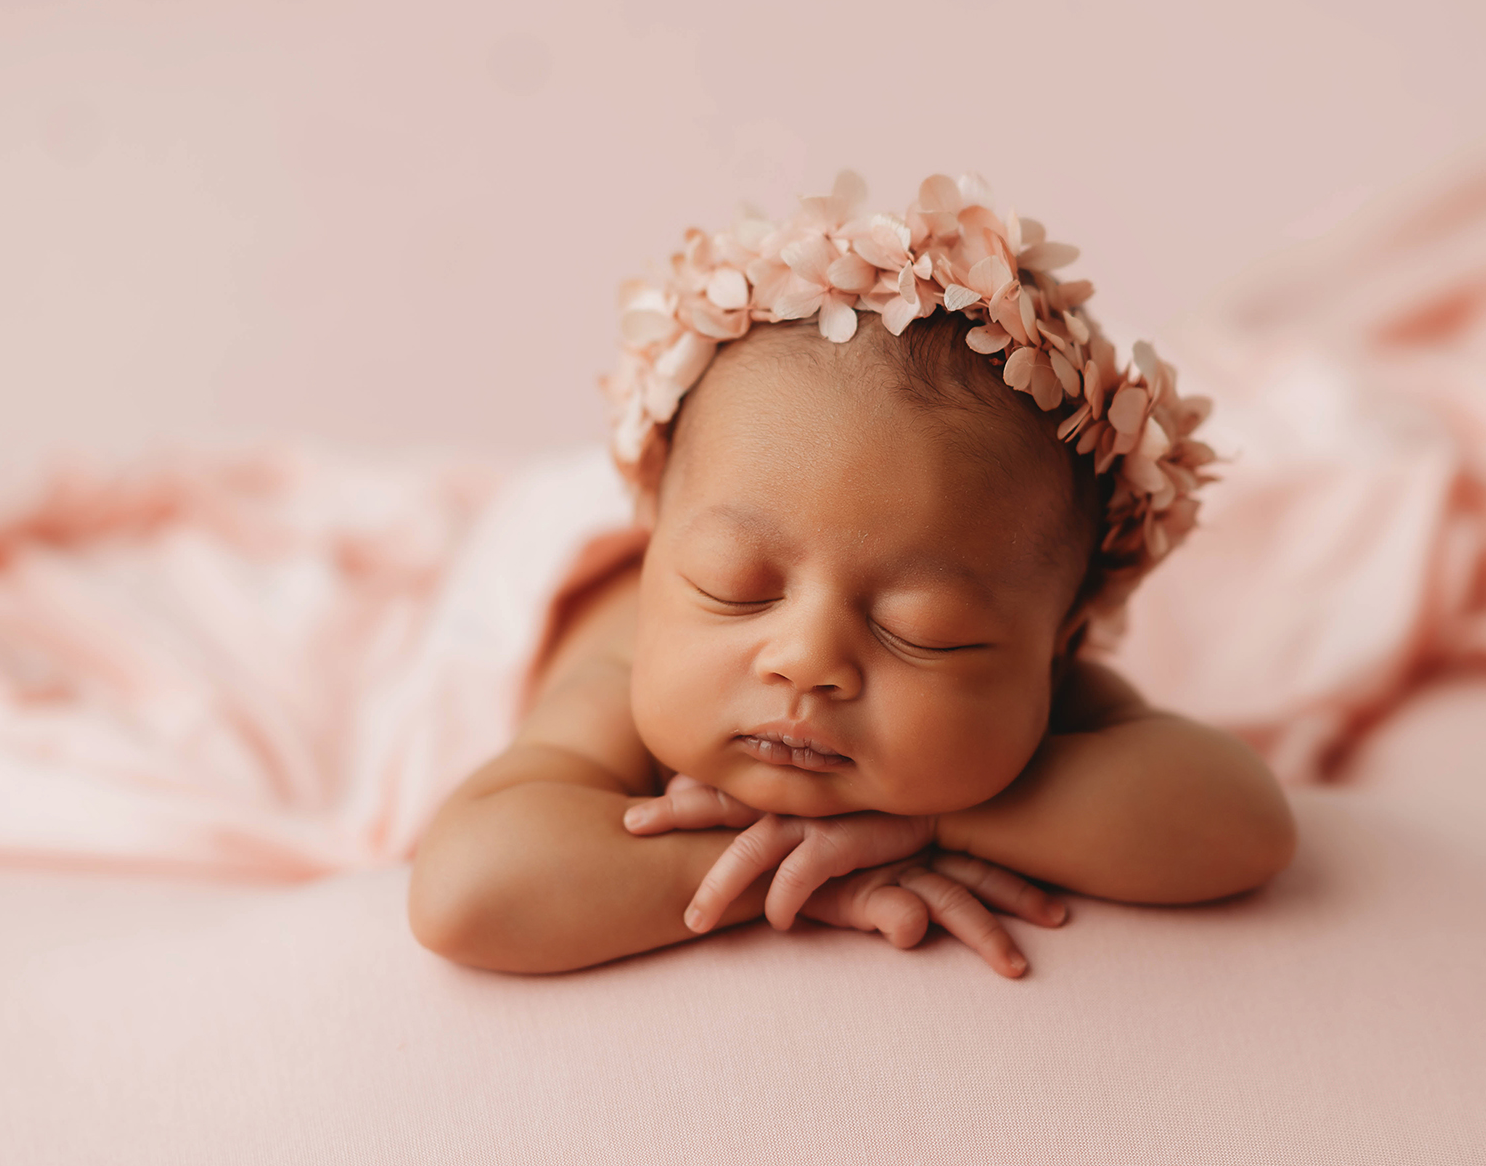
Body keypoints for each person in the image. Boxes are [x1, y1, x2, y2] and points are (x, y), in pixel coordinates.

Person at [408, 173, 1294, 978]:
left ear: (1057, 650)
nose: (804, 660)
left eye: (923, 629)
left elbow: (1243, 826)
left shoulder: (1025, 680)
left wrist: (933, 822)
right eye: (733, 586)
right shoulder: (626, 668)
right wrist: (784, 875)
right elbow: (468, 892)